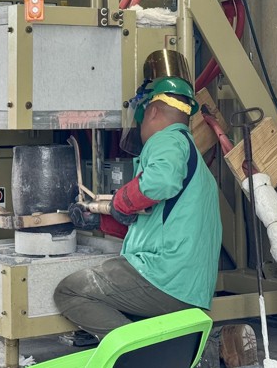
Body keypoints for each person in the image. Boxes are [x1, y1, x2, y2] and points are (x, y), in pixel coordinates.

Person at [56, 75, 222, 341]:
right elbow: (156, 224)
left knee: (70, 291)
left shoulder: (167, 140)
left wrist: (121, 200)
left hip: (165, 279)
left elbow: (161, 181)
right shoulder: (188, 153)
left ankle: (139, 354)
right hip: (187, 285)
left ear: (153, 110)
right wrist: (100, 222)